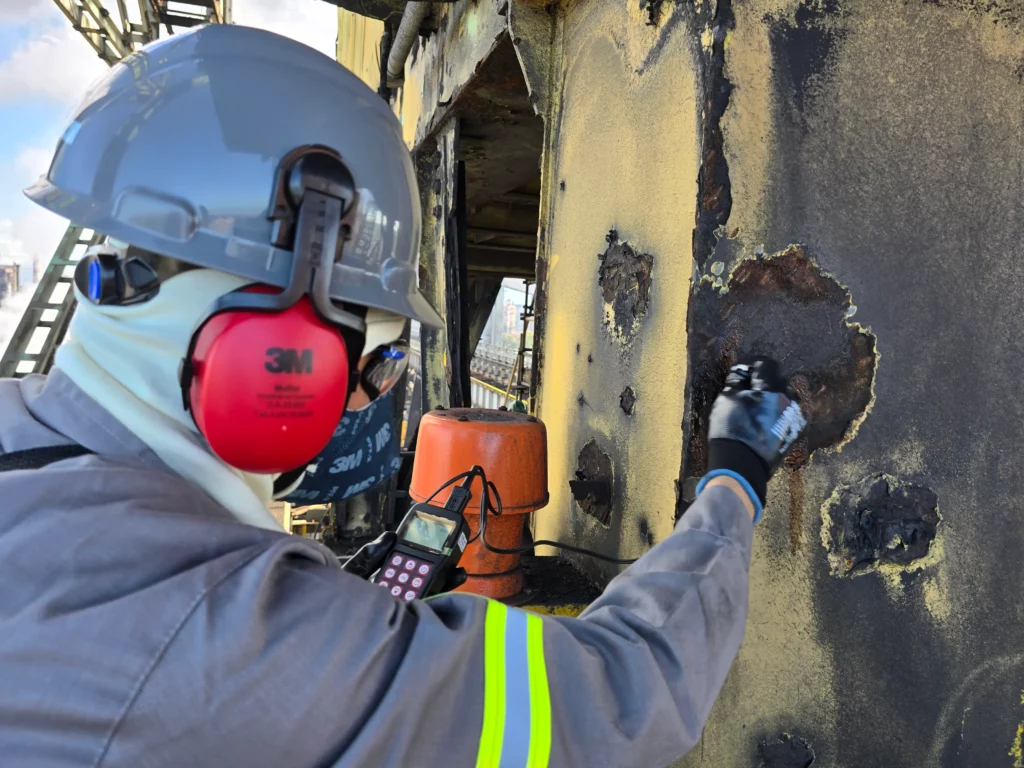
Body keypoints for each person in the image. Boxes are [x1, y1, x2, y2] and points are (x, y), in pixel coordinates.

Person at [0, 24, 806, 768]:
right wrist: (734, 480)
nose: (366, 404)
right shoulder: (238, 641)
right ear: (285, 354)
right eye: (381, 366)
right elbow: (623, 696)